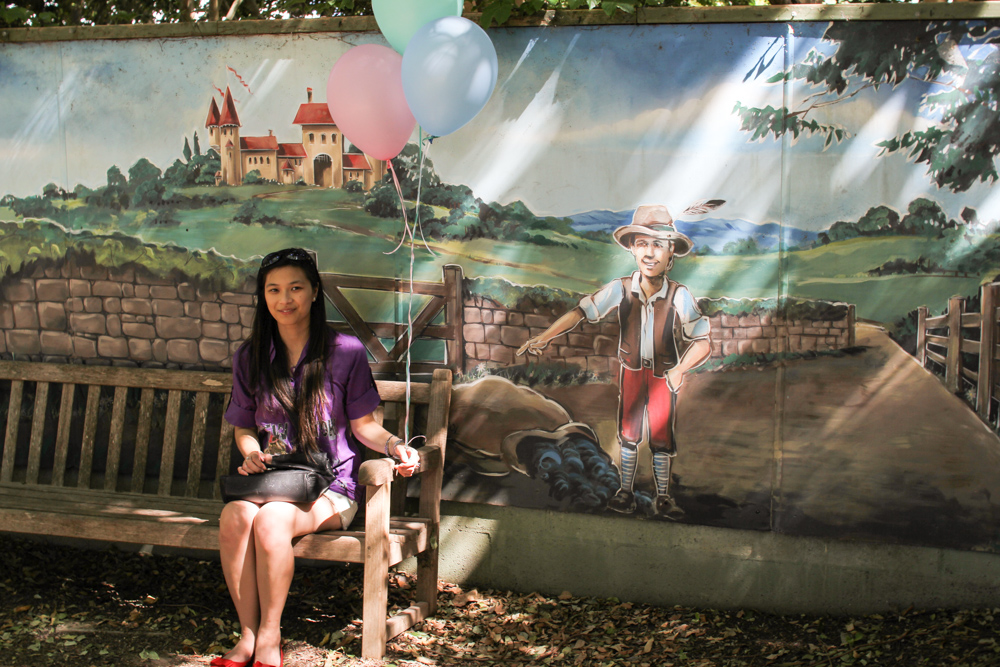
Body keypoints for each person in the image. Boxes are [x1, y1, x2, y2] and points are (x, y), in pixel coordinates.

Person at [213, 248, 420, 667]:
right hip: (275, 479)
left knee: (271, 520)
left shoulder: (345, 352)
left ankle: (271, 639)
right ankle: (248, 635)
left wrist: (396, 445)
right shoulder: (251, 357)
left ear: (313, 293)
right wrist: (252, 453)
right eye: (273, 290)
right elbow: (244, 427)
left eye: (294, 288)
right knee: (235, 517)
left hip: (332, 487)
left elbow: (364, 427)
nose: (283, 299)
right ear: (263, 297)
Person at [518, 205, 712, 519]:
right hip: (632, 372)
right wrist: (545, 336)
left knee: (662, 437)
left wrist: (680, 368)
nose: (650, 252)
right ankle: (625, 491)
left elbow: (702, 339)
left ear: (670, 255)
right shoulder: (621, 289)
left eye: (658, 245)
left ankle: (662, 496)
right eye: (643, 244)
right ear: (634, 250)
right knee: (628, 433)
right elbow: (583, 311)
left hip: (664, 375)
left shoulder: (679, 295)